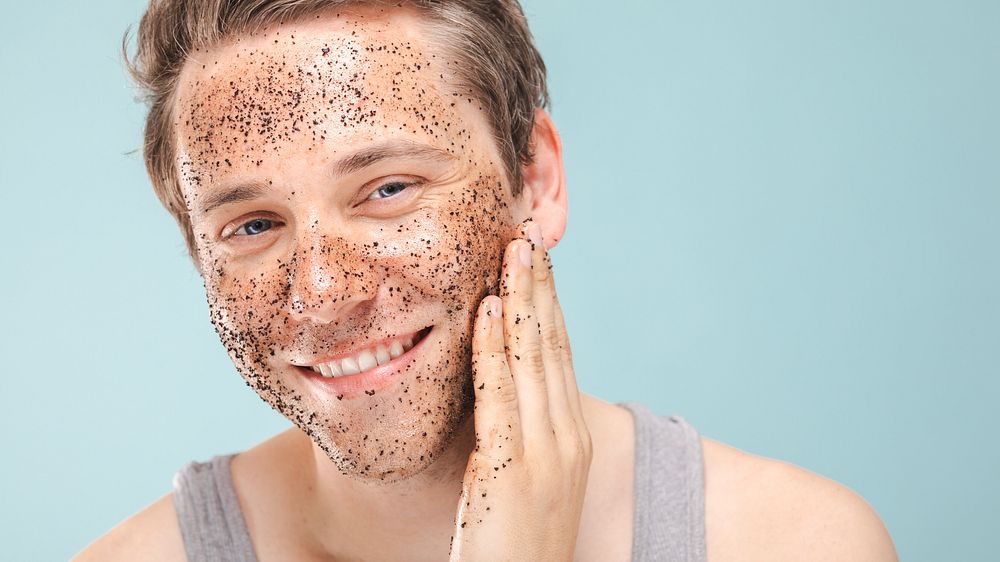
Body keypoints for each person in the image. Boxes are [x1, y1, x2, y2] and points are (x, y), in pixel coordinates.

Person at [76, 1, 898, 560]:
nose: (323, 291)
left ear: (535, 180)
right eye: (253, 225)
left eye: (388, 189)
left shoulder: (793, 542)